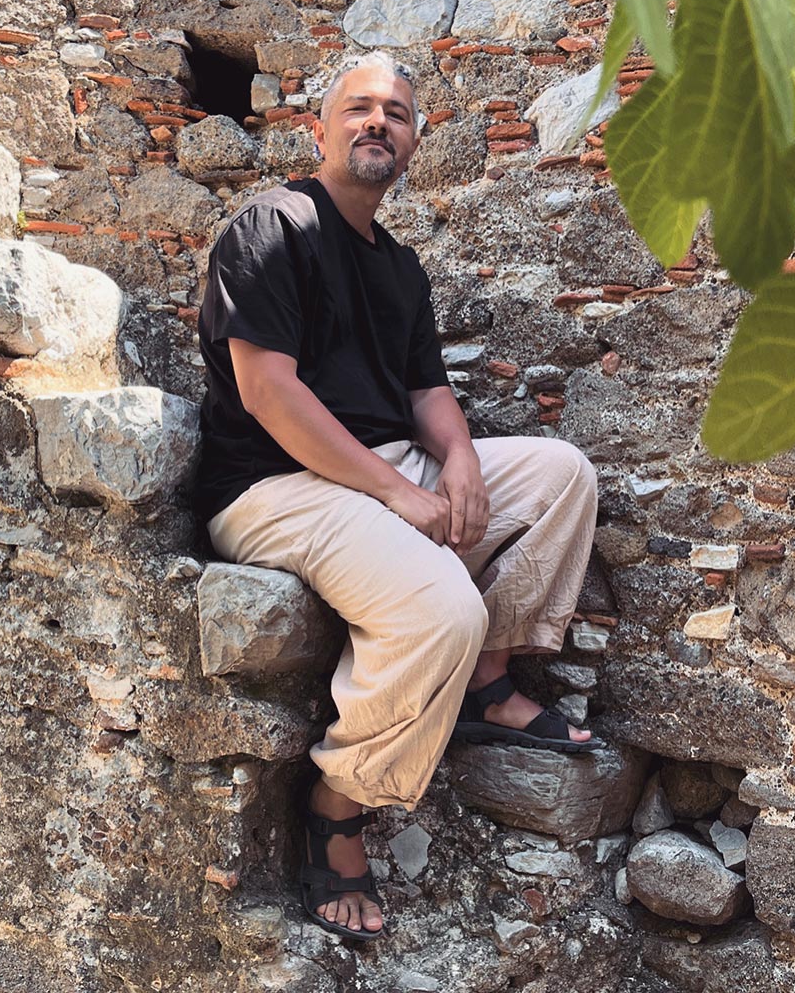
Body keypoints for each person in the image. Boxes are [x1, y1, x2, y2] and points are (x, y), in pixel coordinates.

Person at [196, 51, 601, 942]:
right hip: (275, 483)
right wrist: (397, 495)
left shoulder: (400, 266)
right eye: (360, 107)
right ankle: (338, 803)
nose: (378, 121)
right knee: (441, 610)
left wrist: (458, 461)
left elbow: (426, 391)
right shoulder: (273, 226)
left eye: (398, 113)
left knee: (563, 476)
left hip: (382, 467)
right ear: (320, 128)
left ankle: (486, 682)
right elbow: (269, 392)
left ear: (415, 142)